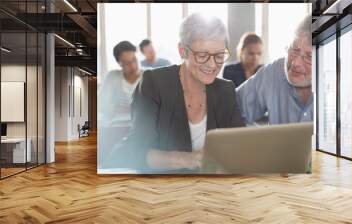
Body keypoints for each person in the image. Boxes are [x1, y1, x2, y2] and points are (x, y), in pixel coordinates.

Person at [107, 13, 244, 174]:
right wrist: (187, 159)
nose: (212, 64)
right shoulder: (153, 83)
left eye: (220, 56)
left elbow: (239, 145)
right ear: (182, 51)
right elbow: (137, 151)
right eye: (202, 55)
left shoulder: (226, 90)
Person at [236, 15, 313, 125]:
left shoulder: (339, 81)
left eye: (309, 57)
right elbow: (232, 109)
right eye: (294, 50)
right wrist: (259, 137)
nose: (295, 63)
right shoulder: (272, 72)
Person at [98, 41, 143, 125]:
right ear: (119, 63)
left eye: (134, 59)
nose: (133, 66)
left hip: (142, 123)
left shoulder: (149, 76)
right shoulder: (112, 77)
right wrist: (114, 109)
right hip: (117, 124)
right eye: (127, 63)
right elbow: (100, 104)